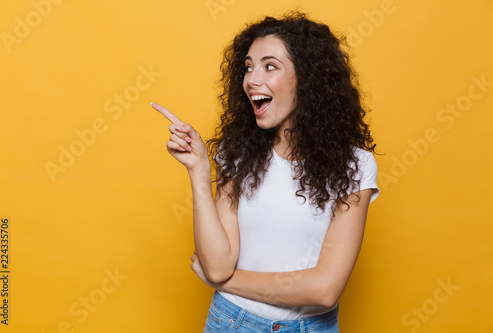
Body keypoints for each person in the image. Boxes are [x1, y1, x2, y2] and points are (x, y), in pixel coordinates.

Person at [151, 10, 379, 333]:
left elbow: (325, 289)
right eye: (248, 67)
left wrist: (230, 282)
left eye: (269, 66)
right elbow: (217, 264)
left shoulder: (354, 167)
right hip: (230, 322)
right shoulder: (238, 154)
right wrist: (200, 171)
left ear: (307, 78)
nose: (251, 80)